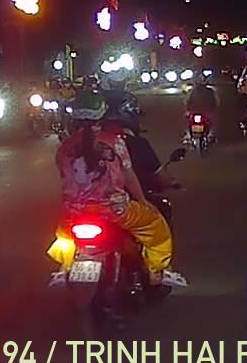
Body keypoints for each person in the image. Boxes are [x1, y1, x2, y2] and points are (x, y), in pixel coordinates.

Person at [48, 89, 187, 288]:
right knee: (156, 226)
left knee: (64, 237)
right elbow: (128, 176)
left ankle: (63, 269)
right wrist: (143, 201)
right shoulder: (114, 142)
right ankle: (157, 271)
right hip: (115, 210)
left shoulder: (64, 147)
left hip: (73, 212)